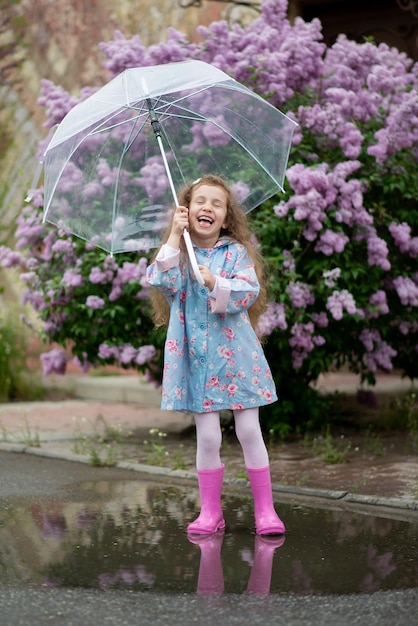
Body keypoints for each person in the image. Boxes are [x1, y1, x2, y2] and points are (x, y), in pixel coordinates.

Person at [146, 174, 285, 536]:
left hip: (236, 356)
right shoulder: (177, 256)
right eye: (199, 202)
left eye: (217, 204)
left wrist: (214, 282)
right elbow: (162, 282)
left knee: (249, 430)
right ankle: (211, 512)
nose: (207, 207)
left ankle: (266, 512)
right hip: (196, 357)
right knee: (208, 438)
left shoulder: (234, 253)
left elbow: (247, 292)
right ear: (186, 211)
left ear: (226, 218)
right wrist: (175, 237)